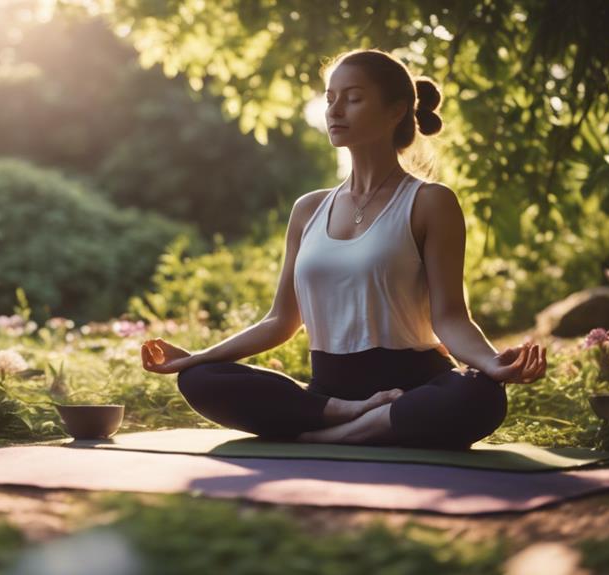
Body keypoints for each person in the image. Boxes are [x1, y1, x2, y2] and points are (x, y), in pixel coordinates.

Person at [139, 48, 547, 450]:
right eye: (330, 98)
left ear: (396, 111)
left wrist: (493, 364)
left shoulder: (430, 202)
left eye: (353, 99)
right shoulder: (309, 209)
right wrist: (193, 358)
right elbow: (281, 320)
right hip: (330, 390)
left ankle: (331, 434)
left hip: (414, 385)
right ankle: (352, 417)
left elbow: (451, 318)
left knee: (482, 396)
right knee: (201, 379)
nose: (334, 111)